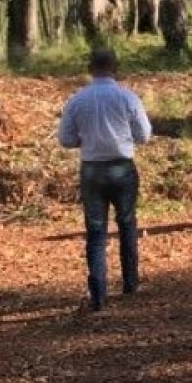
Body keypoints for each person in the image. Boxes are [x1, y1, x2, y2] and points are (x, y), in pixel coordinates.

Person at [57, 48, 153, 312]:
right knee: (127, 222)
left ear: (90, 69)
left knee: (96, 231)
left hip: (92, 170)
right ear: (115, 68)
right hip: (122, 167)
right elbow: (144, 135)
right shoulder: (128, 97)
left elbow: (65, 139)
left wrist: (85, 140)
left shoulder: (77, 100)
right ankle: (130, 281)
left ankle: (98, 293)